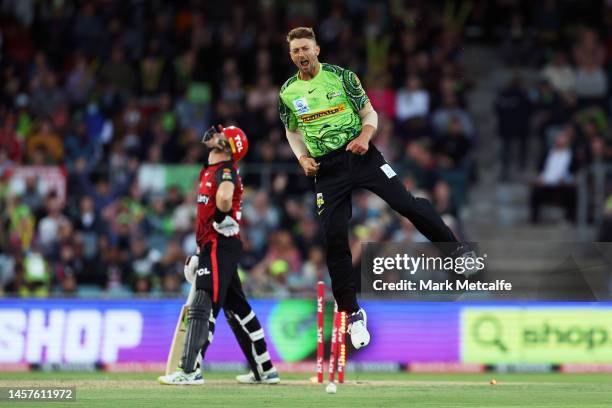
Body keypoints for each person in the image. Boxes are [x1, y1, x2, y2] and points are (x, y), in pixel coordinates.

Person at [278, 27, 474, 350]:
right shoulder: (287, 92)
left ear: (317, 50)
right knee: (335, 238)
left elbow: (369, 113)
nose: (301, 54)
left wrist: (365, 137)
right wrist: (302, 158)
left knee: (407, 204)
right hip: (327, 170)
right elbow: (291, 131)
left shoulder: (341, 78)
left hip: (362, 155)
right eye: (295, 50)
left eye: (305, 48)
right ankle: (353, 314)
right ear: (291, 55)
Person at [159, 125, 279, 385]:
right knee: (238, 308)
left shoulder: (225, 170)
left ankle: (190, 371)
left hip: (219, 244)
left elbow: (224, 197)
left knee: (204, 302)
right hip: (216, 245)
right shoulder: (213, 169)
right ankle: (265, 369)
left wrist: (221, 217)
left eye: (221, 134)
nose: (215, 132)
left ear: (227, 147)